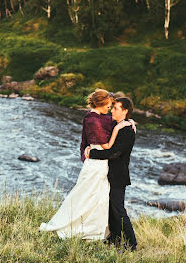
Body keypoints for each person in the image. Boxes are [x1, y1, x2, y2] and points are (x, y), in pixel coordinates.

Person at [39, 89, 131, 240]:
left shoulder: (99, 116)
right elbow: (107, 145)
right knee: (87, 196)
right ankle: (81, 227)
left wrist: (127, 121)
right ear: (101, 104)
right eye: (108, 106)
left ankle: (98, 230)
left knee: (98, 198)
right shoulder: (93, 119)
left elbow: (112, 121)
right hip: (96, 163)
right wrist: (120, 128)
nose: (109, 109)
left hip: (101, 163)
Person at [85, 97, 137, 251]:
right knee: (109, 208)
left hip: (118, 175)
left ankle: (132, 244)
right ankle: (114, 238)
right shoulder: (118, 124)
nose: (112, 111)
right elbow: (101, 119)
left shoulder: (127, 130)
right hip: (108, 173)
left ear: (125, 111)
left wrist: (92, 153)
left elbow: (114, 153)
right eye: (112, 107)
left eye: (116, 108)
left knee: (118, 210)